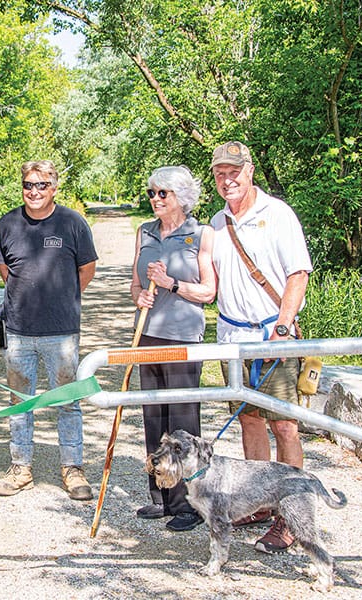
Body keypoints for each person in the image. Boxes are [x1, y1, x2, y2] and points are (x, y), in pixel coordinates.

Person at [209, 141, 312, 553]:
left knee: (284, 425)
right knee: (249, 421)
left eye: (234, 171)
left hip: (272, 333)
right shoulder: (217, 223)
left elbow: (298, 273)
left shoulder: (278, 214)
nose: (227, 179)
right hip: (232, 337)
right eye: (220, 173)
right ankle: (259, 501)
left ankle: (290, 514)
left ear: (249, 171)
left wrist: (283, 328)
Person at [0, 160, 98, 500]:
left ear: (54, 187)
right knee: (20, 402)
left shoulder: (72, 223)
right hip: (18, 329)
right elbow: (6, 271)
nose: (33, 191)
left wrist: (60, 300)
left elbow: (87, 270)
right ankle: (21, 467)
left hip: (62, 331)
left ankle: (72, 468)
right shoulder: (7, 224)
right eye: (28, 185)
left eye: (41, 185)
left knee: (68, 402)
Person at [131, 166, 216, 531]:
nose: (155, 199)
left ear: (181, 196)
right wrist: (141, 296)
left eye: (162, 193)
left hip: (183, 337)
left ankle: (187, 504)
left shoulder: (201, 233)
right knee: (153, 419)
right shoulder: (145, 231)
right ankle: (159, 497)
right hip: (148, 335)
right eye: (151, 193)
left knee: (182, 424)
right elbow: (134, 286)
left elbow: (209, 292)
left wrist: (172, 284)